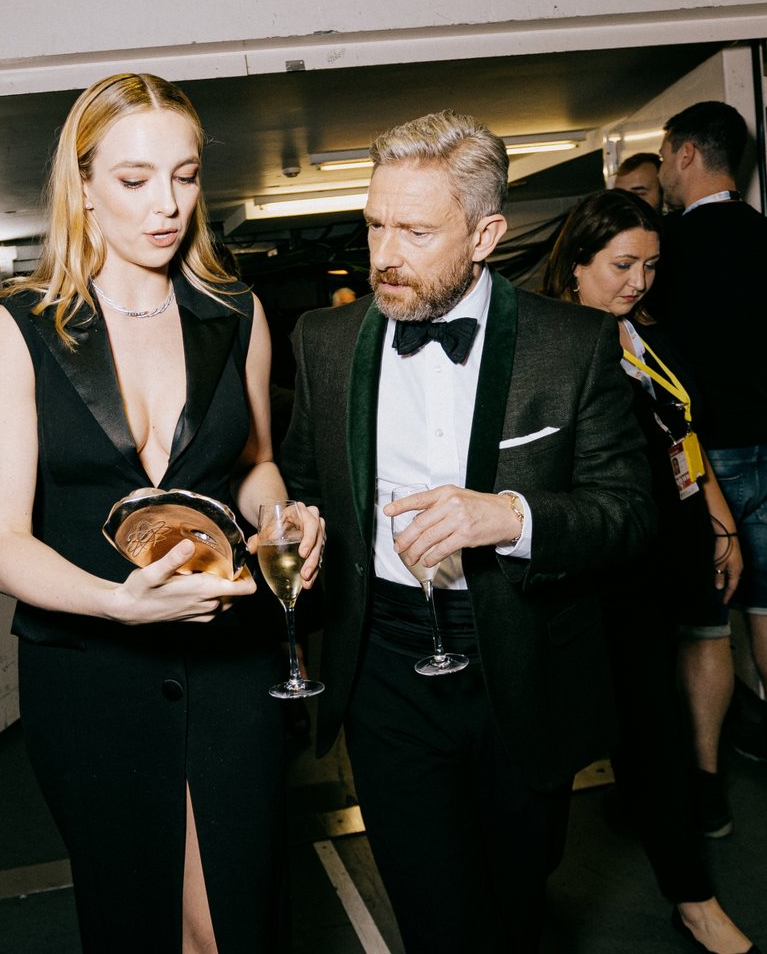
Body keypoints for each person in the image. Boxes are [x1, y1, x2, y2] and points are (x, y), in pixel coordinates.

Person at [279, 110, 655, 953]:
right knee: (435, 914)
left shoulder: (576, 345)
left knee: (518, 902)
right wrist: (303, 525)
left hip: (519, 663)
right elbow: (307, 485)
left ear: (485, 233)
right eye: (375, 223)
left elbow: (630, 516)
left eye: (414, 231)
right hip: (382, 665)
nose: (382, 253)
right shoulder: (326, 341)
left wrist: (510, 517)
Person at [0, 72, 321, 953]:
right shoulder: (19, 329)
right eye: (134, 180)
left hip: (231, 662)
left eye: (186, 174)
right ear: (81, 184)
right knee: (140, 920)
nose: (166, 204)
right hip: (93, 675)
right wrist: (118, 602)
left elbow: (256, 464)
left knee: (236, 914)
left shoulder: (236, 314)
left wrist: (281, 521)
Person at [544, 188, 760, 954]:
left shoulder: (646, 341)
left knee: (657, 731)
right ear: (577, 265)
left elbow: (685, 440)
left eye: (651, 266)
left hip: (658, 564)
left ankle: (692, 897)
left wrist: (721, 523)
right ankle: (516, 900)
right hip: (589, 579)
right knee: (556, 749)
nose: (637, 281)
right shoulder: (555, 349)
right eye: (622, 265)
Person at [653, 101, 767, 838]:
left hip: (702, 461)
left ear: (688, 154)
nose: (659, 171)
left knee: (705, 625)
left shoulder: (674, 247)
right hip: (763, 445)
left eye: (663, 156)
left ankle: (709, 784)